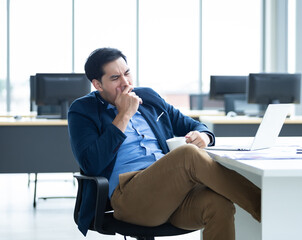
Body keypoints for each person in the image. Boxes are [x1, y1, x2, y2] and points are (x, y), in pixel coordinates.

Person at [68, 47, 261, 240]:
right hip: (129, 199)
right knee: (187, 155)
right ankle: (264, 207)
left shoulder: (149, 97)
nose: (125, 83)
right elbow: (91, 163)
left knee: (219, 205)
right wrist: (124, 114)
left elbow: (194, 124)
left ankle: (264, 206)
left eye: (127, 73)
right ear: (97, 85)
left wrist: (204, 136)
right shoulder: (83, 110)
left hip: (171, 193)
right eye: (115, 78)